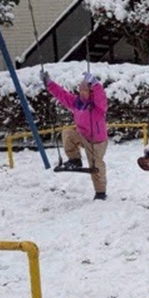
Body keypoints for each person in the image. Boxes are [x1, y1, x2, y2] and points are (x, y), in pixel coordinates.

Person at [40, 70, 109, 201]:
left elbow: (101, 97)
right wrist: (49, 83)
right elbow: (62, 95)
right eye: (80, 89)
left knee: (96, 166)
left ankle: (100, 192)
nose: (81, 92)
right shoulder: (76, 102)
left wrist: (96, 84)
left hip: (97, 141)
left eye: (85, 89)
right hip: (83, 136)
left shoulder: (98, 105)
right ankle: (74, 159)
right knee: (68, 132)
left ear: (90, 91)